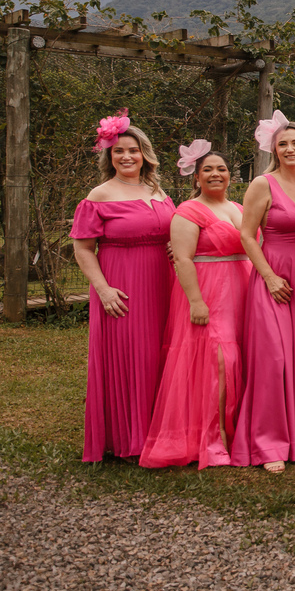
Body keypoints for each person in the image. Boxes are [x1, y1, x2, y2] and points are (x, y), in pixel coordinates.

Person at [140, 144, 252, 468]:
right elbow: (183, 259)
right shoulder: (188, 211)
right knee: (219, 361)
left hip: (241, 288)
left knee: (242, 357)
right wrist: (196, 301)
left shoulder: (239, 207)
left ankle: (240, 433)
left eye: (221, 169)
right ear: (197, 177)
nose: (216, 174)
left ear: (231, 175)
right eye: (208, 170)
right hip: (209, 290)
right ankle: (213, 439)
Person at [71, 111, 174, 462]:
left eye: (133, 150)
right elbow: (82, 248)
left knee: (162, 353)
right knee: (133, 357)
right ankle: (129, 438)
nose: (127, 156)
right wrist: (102, 289)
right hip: (122, 284)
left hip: (163, 281)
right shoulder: (99, 195)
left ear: (145, 153)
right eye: (118, 151)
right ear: (108, 156)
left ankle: (163, 432)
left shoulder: (157, 190)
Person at [230, 113, 295, 473]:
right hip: (275, 275)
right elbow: (246, 235)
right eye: (283, 144)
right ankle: (268, 442)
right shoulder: (262, 184)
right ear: (274, 149)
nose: (290, 149)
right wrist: (270, 277)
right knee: (274, 358)